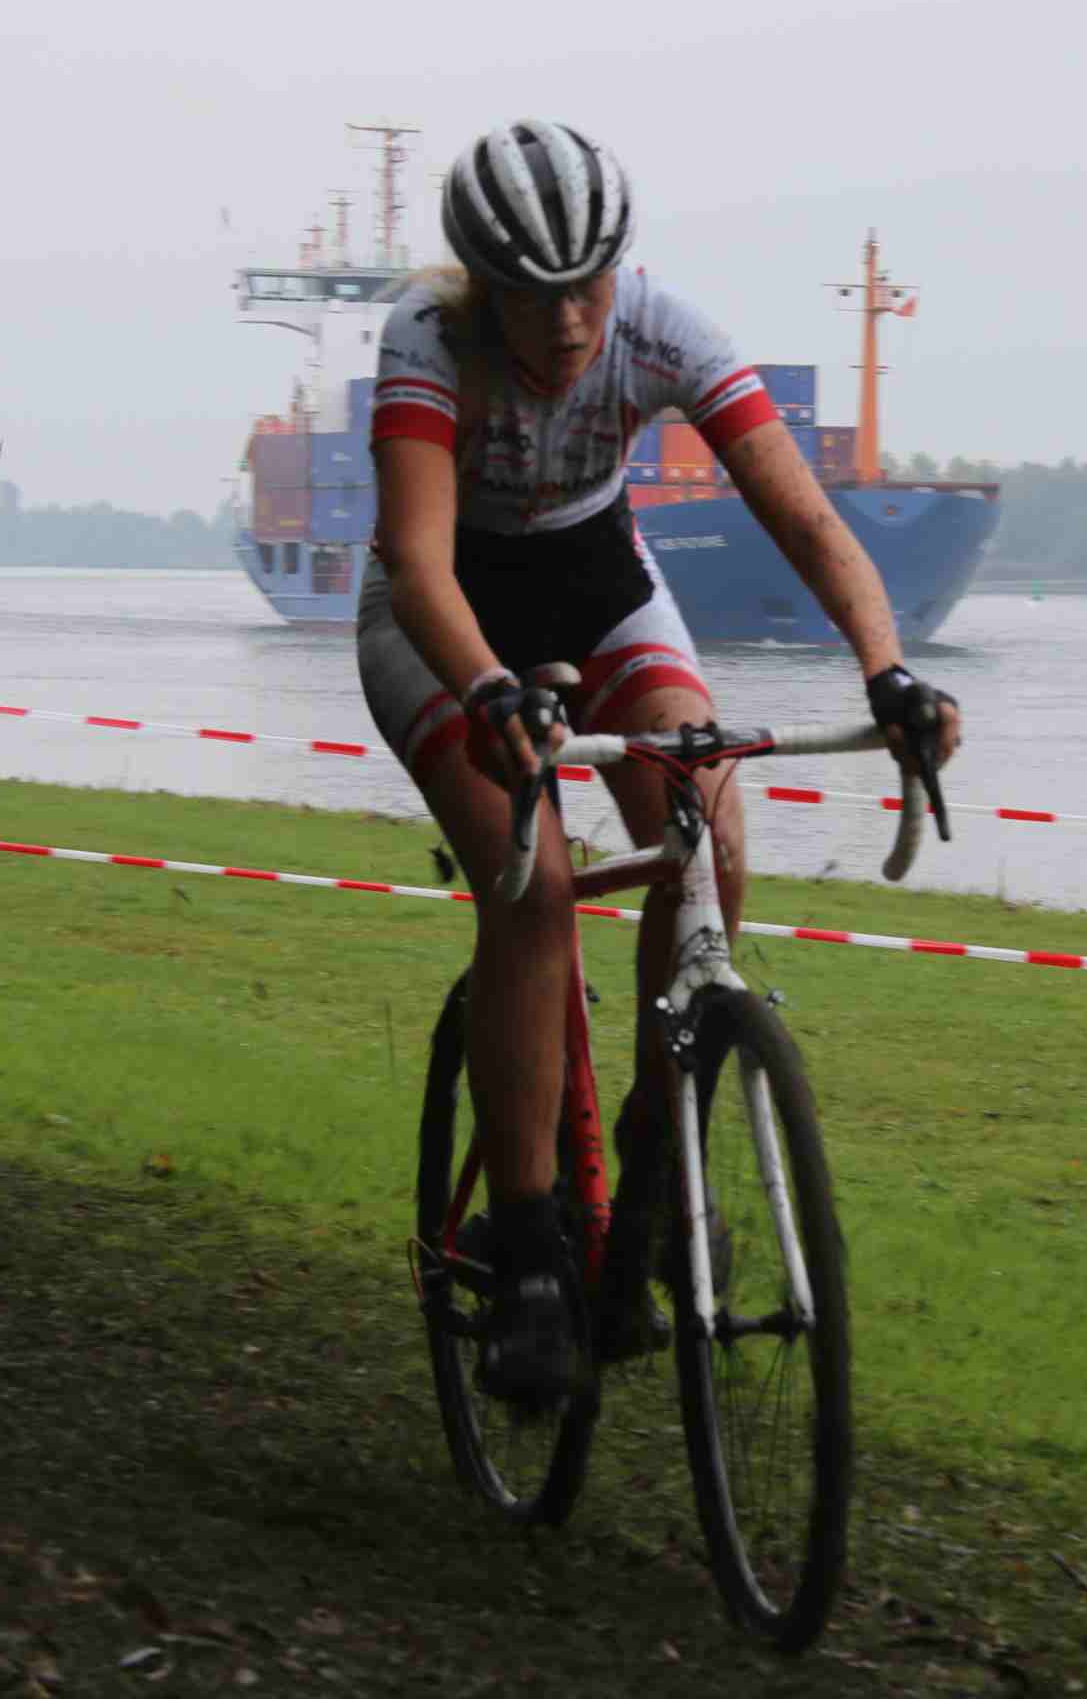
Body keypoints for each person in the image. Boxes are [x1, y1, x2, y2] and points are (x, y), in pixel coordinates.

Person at [357, 119, 962, 1412]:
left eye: (589, 284)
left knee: (712, 832)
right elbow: (414, 561)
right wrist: (488, 691)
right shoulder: (428, 339)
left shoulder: (661, 330)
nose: (571, 319)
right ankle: (530, 1252)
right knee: (532, 886)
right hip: (445, 615)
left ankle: (650, 1179)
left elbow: (807, 519)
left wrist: (889, 672)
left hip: (598, 588)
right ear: (484, 286)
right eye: (537, 295)